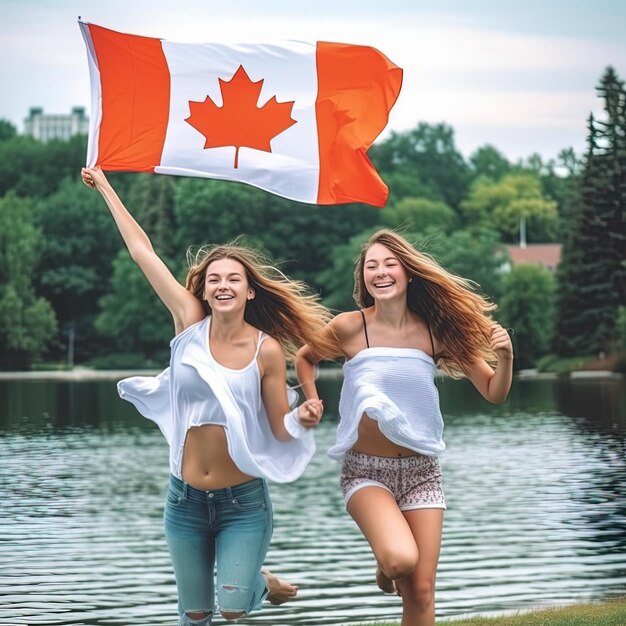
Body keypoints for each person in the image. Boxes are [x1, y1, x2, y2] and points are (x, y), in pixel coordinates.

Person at [81, 167, 335, 626]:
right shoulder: (189, 323)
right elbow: (143, 254)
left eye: (233, 279)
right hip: (185, 500)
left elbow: (280, 425)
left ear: (249, 290)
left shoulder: (267, 350)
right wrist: (106, 187)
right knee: (194, 616)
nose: (222, 285)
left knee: (233, 607)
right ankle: (247, 581)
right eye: (214, 278)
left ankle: (260, 584)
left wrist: (305, 416)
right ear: (204, 288)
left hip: (243, 501)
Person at [295, 229, 513, 626]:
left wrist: (506, 358)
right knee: (401, 561)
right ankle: (388, 563)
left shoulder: (435, 331)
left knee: (422, 590)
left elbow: (493, 392)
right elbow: (305, 358)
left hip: (421, 473)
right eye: (371, 266)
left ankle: (389, 564)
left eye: (389, 264)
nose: (380, 272)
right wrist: (312, 398)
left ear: (408, 273)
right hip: (366, 470)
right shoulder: (349, 327)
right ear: (363, 278)